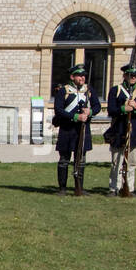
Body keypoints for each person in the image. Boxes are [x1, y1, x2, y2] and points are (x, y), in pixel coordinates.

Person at [53, 63, 101, 196]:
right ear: (72, 77)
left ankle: (79, 187)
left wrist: (90, 112)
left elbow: (97, 106)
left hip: (83, 129)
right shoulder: (64, 91)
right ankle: (62, 188)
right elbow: (58, 110)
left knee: (81, 160)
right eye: (79, 75)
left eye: (83, 76)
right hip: (67, 129)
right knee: (64, 160)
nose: (82, 78)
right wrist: (75, 116)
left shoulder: (89, 90)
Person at [105, 63, 136, 197]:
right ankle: (114, 188)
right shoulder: (116, 90)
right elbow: (111, 110)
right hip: (119, 130)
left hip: (134, 130)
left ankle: (129, 187)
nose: (133, 78)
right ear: (124, 75)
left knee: (132, 162)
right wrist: (124, 109)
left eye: (135, 75)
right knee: (117, 161)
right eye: (130, 75)